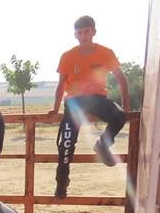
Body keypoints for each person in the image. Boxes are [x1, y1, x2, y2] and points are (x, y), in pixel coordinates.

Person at [51, 15, 129, 199]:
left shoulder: (105, 53)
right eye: (79, 32)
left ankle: (102, 145)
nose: (83, 35)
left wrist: (126, 107)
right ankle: (62, 182)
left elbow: (121, 79)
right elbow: (61, 84)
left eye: (86, 31)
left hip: (96, 99)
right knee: (66, 145)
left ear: (93, 31)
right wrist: (55, 109)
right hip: (74, 103)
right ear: (75, 35)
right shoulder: (68, 56)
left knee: (119, 116)